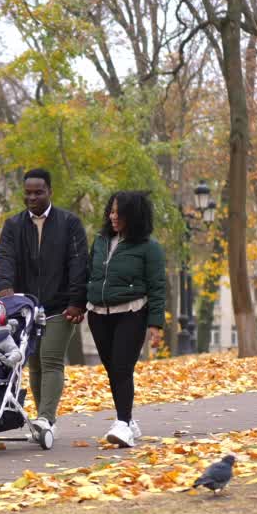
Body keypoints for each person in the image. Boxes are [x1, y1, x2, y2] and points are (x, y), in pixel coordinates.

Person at [0, 168, 88, 437]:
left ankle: (46, 417)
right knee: (33, 363)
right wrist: (5, 291)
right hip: (26, 307)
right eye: (28, 192)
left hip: (60, 306)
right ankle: (42, 420)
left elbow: (78, 262)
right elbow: (5, 259)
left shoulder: (69, 223)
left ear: (50, 192)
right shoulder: (13, 225)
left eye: (38, 192)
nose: (32, 197)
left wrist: (77, 301)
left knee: (51, 359)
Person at [85, 190, 166, 448]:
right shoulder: (99, 241)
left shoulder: (149, 248)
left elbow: (157, 286)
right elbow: (90, 275)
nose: (113, 216)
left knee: (121, 368)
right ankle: (128, 420)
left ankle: (122, 425)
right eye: (111, 210)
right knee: (113, 370)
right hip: (98, 315)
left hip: (131, 313)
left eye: (119, 212)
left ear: (134, 215)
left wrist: (155, 324)